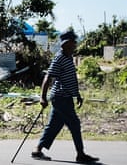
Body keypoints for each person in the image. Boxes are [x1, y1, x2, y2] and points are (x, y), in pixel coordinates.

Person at [31, 30, 99, 163]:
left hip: (65, 97)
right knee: (74, 124)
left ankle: (37, 149)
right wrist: (43, 97)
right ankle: (80, 154)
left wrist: (77, 94)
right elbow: (48, 77)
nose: (75, 45)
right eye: (74, 42)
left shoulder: (68, 57)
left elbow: (70, 79)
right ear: (67, 43)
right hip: (61, 98)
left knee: (54, 126)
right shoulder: (60, 58)